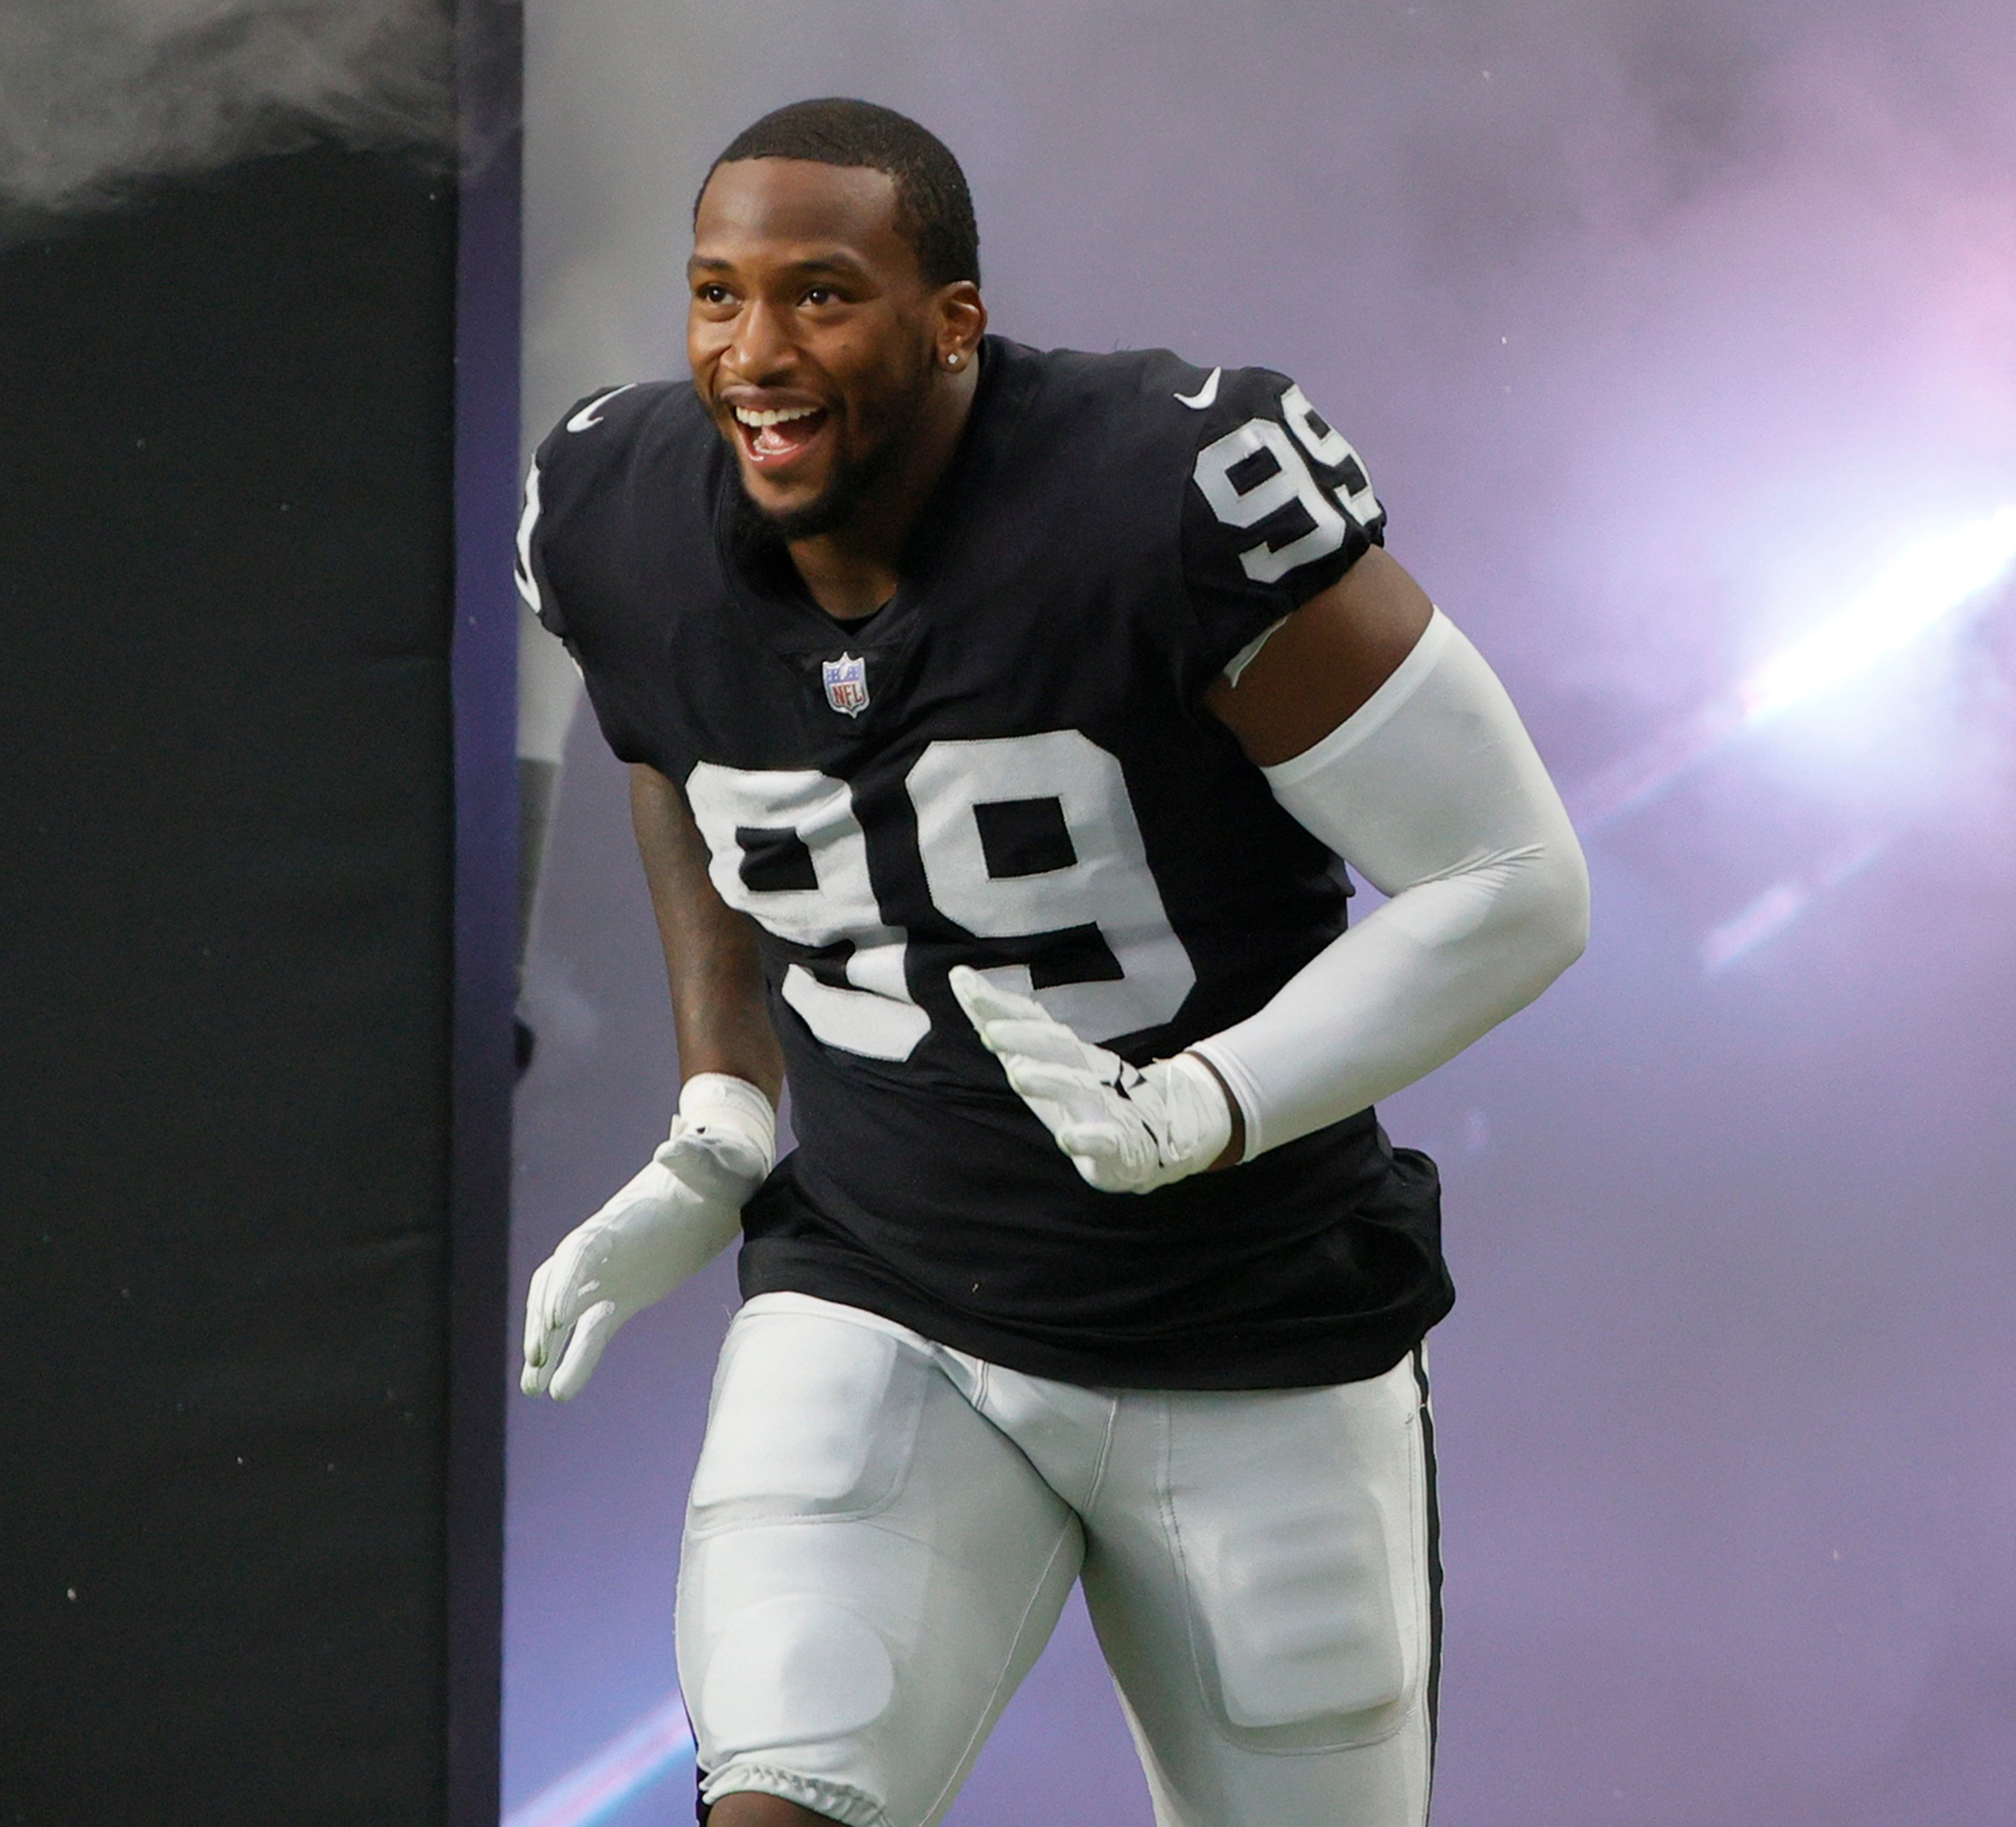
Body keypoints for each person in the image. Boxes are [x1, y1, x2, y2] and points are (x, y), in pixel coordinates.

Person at [514, 96, 1588, 1827]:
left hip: (1249, 1331)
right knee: (780, 1792)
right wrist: (722, 1118)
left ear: (956, 324)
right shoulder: (616, 509)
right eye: (717, 295)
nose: (754, 353)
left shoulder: (1168, 491)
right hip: (888, 1293)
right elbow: (683, 751)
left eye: (820, 295)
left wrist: (1205, 1105)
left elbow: (1514, 878)